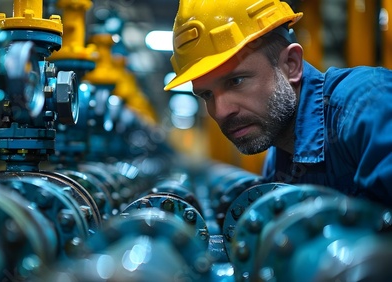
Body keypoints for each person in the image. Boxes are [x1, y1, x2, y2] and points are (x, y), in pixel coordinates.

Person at [164, 0, 392, 206]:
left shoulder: (367, 105)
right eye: (207, 95)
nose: (221, 111)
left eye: (236, 81)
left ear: (291, 64)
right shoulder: (278, 159)